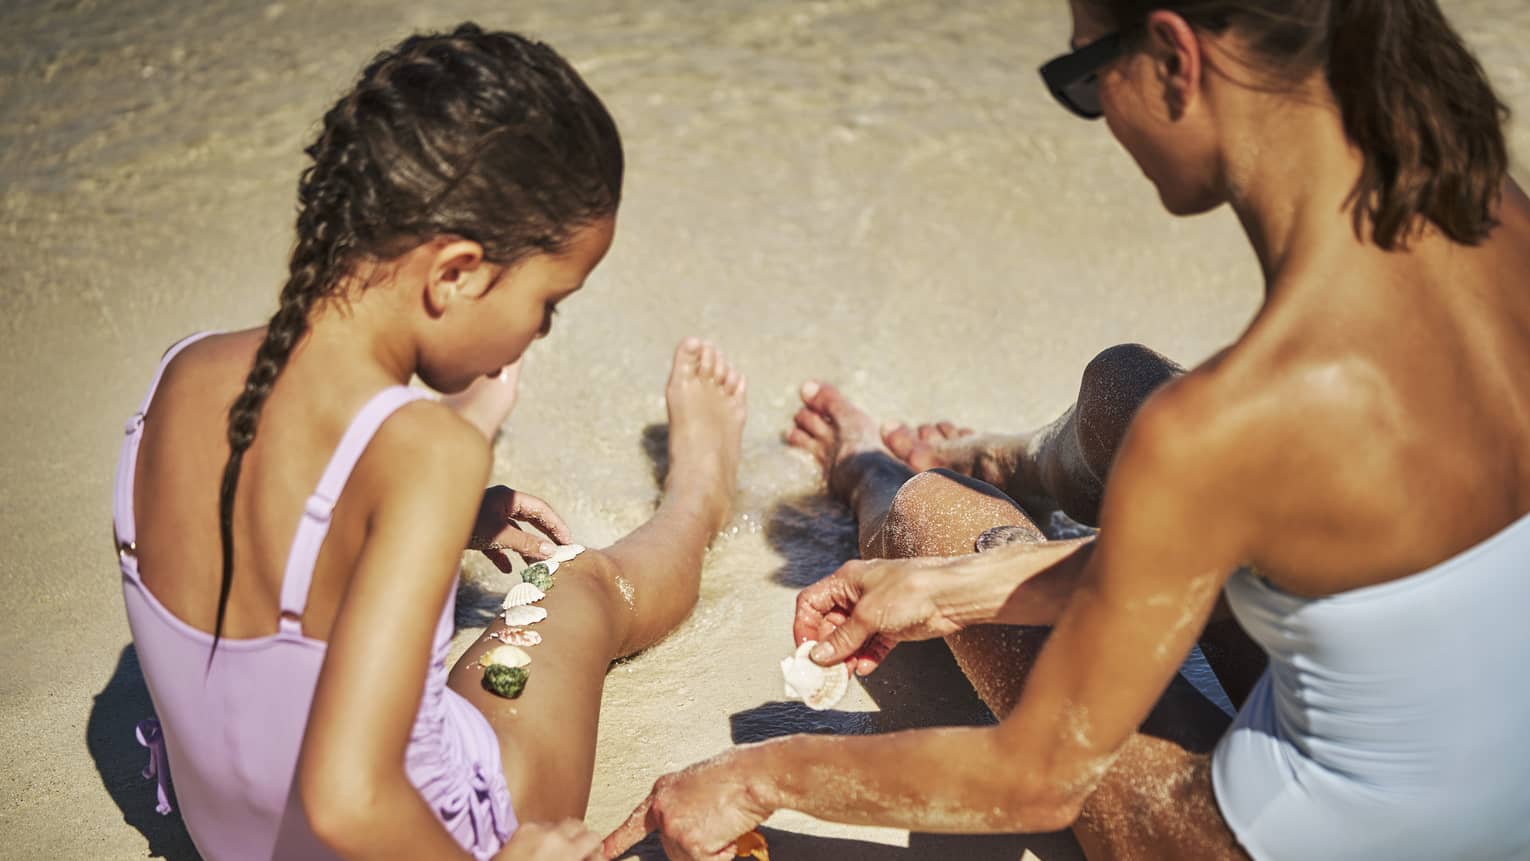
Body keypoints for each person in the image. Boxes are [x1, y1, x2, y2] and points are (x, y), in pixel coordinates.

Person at [605, 1, 1530, 859]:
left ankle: (873, 466)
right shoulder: (1499, 222)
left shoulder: (1234, 416)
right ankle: (990, 459)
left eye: (1085, 79)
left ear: (1173, 58)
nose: (1100, 119)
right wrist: (955, 594)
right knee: (1122, 387)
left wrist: (749, 777)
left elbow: (1036, 777)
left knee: (932, 514)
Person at [112, 24, 748, 860]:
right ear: (454, 273)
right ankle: (698, 487)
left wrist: (434, 520)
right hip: (425, 841)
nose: (538, 333)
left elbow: (261, 602)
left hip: (225, 838)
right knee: (577, 580)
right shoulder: (428, 453)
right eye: (547, 303)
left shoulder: (182, 372)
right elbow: (347, 799)